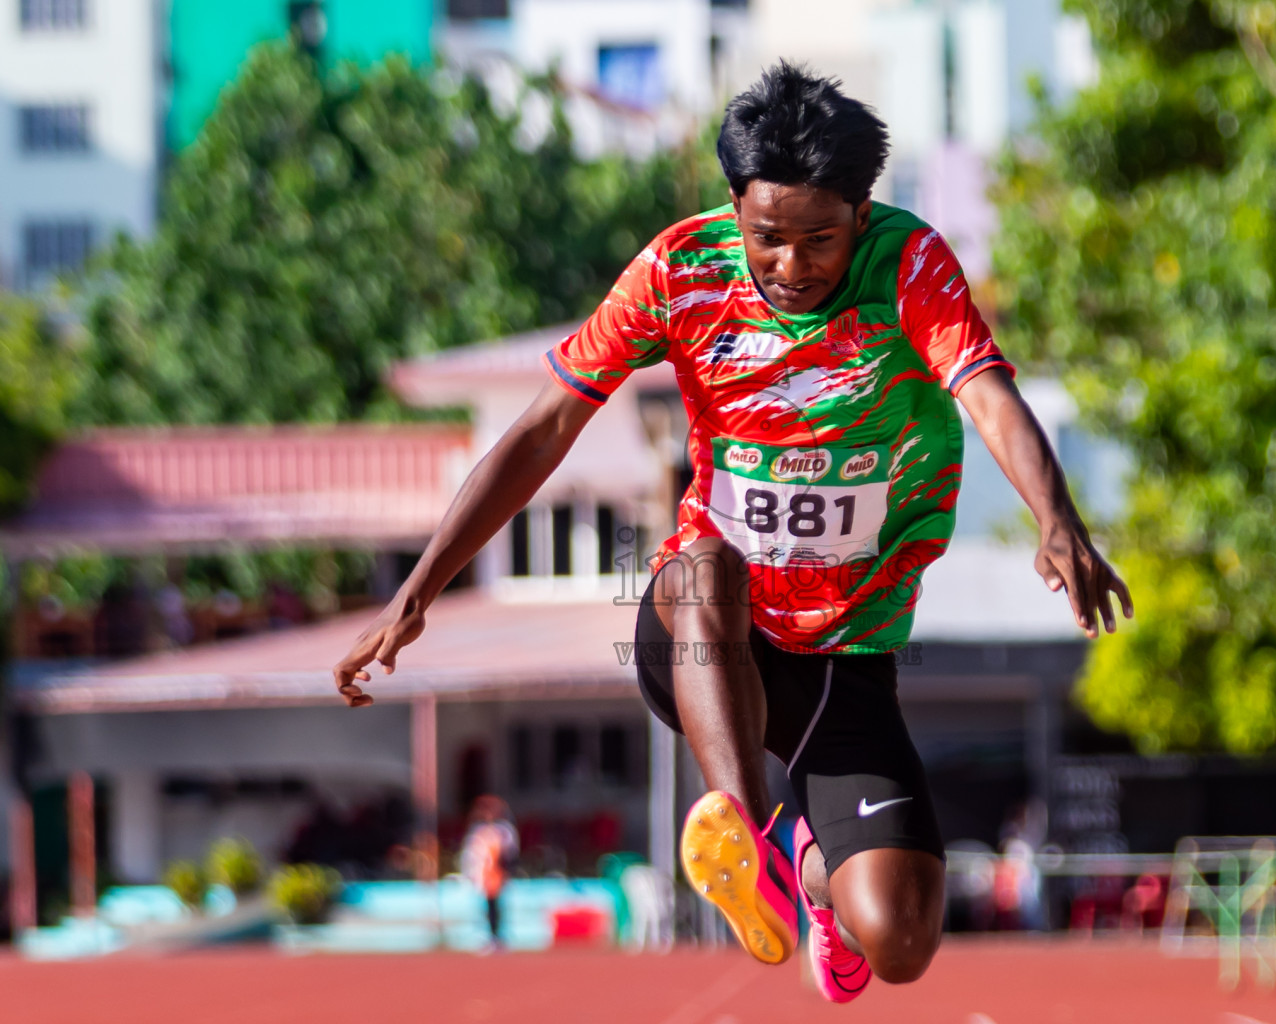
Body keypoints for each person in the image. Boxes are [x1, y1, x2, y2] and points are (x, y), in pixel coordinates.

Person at [333, 62, 1131, 1002]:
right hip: (706, 636)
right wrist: (417, 590)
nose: (792, 266)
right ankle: (749, 842)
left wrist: (1056, 516)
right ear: (734, 207)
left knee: (902, 940)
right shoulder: (680, 269)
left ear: (862, 212)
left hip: (845, 652)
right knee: (705, 562)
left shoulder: (909, 264)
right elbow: (544, 428)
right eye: (768, 238)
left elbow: (988, 394)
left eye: (820, 239)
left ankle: (809, 874)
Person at [460, 794, 519, 950]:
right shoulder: (478, 830)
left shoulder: (503, 830)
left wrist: (501, 870)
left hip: (495, 872)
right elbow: (472, 853)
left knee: (495, 905)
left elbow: (508, 853)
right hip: (480, 873)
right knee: (484, 907)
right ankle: (486, 936)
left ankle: (496, 937)